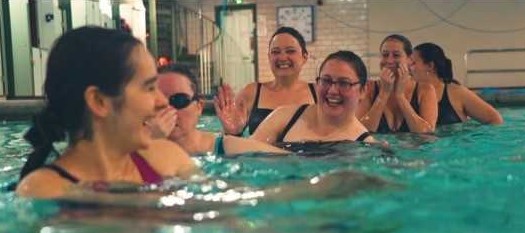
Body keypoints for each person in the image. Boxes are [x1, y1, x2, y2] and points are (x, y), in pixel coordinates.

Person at [16, 26, 196, 199]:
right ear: (99, 101)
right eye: (149, 88)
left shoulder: (168, 158)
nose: (163, 102)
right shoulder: (43, 189)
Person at [155, 63, 288, 156]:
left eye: (179, 100)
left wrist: (235, 134)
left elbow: (294, 161)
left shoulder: (226, 148)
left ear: (199, 107)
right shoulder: (139, 155)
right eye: (158, 103)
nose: (168, 110)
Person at [250, 50, 376, 147]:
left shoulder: (364, 145)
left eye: (344, 83)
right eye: (326, 81)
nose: (332, 91)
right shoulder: (284, 117)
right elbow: (246, 153)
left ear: (363, 91)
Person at [215, 26, 318, 136]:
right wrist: (231, 133)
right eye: (275, 52)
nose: (282, 57)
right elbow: (231, 146)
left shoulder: (318, 93)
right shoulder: (252, 93)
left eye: (290, 51)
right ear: (269, 57)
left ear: (304, 57)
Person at [357, 34, 438, 134]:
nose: (389, 61)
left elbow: (427, 134)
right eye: (385, 55)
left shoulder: (425, 90)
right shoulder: (369, 88)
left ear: (409, 59)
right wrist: (383, 94)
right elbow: (361, 133)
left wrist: (400, 96)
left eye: (396, 55)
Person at [411, 42, 503, 125]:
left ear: (430, 66)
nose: (408, 67)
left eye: (413, 63)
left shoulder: (456, 93)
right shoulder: (407, 94)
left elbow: (494, 119)